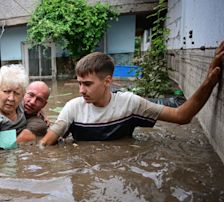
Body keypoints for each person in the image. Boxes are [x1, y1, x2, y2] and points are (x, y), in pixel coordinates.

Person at [40, 41, 224, 146]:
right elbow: (45, 145)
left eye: (87, 84)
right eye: (79, 83)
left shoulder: (130, 103)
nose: (81, 90)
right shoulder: (73, 108)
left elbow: (182, 116)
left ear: (107, 82)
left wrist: (209, 82)